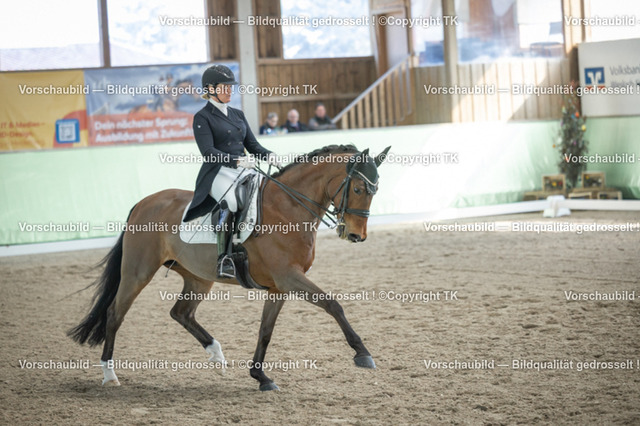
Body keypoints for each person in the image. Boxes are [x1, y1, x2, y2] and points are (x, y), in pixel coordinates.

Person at [184, 64, 281, 279]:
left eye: (230, 87)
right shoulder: (202, 117)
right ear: (210, 89)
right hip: (217, 172)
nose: (229, 91)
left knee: (265, 192)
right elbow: (208, 152)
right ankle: (224, 258)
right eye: (224, 87)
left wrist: (269, 155)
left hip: (243, 168)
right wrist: (236, 160)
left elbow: (253, 145)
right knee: (232, 202)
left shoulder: (238, 114)